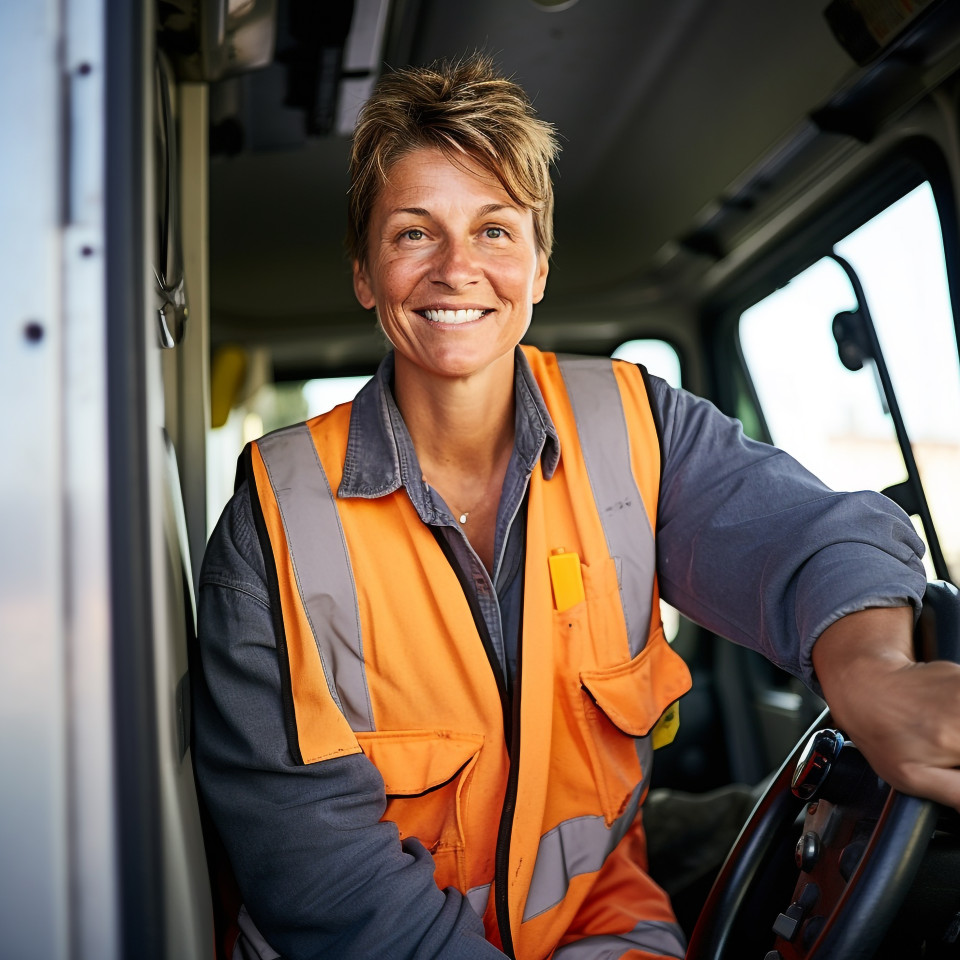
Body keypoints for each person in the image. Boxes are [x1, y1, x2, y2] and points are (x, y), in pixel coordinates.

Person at [194, 54, 960, 960]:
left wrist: (872, 673)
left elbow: (809, 534)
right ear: (365, 272)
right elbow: (313, 866)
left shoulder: (637, 426)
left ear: (539, 266)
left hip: (599, 925)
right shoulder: (273, 518)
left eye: (494, 231)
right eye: (412, 233)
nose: (456, 269)